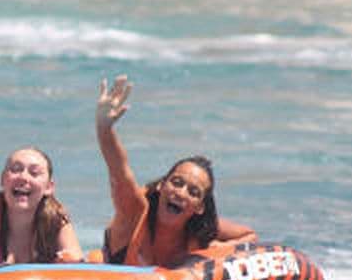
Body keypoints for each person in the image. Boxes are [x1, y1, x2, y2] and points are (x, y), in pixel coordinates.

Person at [95, 75, 257, 268]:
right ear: (162, 185)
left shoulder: (200, 232)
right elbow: (119, 172)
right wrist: (104, 129)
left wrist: (217, 250)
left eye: (193, 192)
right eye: (177, 182)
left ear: (199, 207)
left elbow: (250, 236)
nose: (181, 193)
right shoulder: (135, 211)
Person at [0, 135, 82, 264]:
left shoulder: (56, 221)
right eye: (15, 169)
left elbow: (75, 258)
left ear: (49, 187)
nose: (23, 177)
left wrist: (67, 259)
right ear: (3, 179)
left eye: (34, 173)